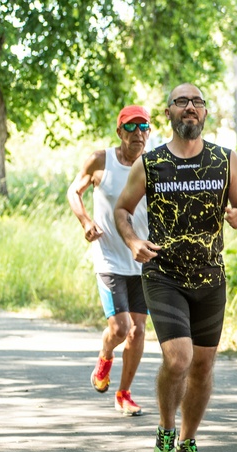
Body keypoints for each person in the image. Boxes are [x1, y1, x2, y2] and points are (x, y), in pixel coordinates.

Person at [114, 83, 237, 452]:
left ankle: (188, 441)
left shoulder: (226, 160)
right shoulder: (151, 163)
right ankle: (165, 428)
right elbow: (122, 210)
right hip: (164, 275)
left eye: (197, 102)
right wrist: (132, 241)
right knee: (179, 359)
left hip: (210, 277)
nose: (190, 108)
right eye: (181, 102)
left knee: (204, 367)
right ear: (169, 113)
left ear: (205, 113)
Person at [67, 104, 152, 416]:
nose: (138, 133)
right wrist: (86, 222)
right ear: (120, 132)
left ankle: (124, 393)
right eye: (130, 127)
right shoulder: (101, 159)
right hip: (109, 258)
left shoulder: (153, 163)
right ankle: (105, 357)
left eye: (143, 127)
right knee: (119, 328)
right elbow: (74, 192)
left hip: (142, 259)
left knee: (139, 331)